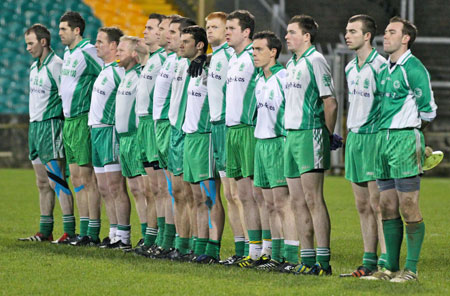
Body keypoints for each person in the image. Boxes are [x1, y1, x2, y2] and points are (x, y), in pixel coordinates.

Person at [364, 16, 437, 283]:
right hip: (383, 141)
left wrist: (414, 136)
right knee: (386, 204)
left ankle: (411, 270)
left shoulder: (414, 68)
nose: (386, 36)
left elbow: (429, 111)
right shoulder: (384, 69)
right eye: (385, 32)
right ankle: (388, 268)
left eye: (392, 32)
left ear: (406, 38)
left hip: (404, 141)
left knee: (408, 206)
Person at [284, 15, 338, 275]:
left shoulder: (316, 60)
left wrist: (326, 136)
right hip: (291, 135)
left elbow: (330, 101)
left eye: (292, 32)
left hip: (310, 133)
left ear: (306, 36)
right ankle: (306, 260)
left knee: (313, 199)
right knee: (296, 201)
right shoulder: (293, 62)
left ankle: (323, 262)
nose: (286, 37)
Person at [339, 14, 387, 277]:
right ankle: (368, 260)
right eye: (347, 31)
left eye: (353, 31)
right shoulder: (349, 67)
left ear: (367, 36)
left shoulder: (380, 66)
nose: (347, 35)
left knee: (378, 204)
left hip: (373, 138)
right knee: (361, 205)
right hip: (354, 139)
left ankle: (384, 261)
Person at [19, 24, 75, 242]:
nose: (27, 48)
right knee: (42, 182)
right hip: (34, 127)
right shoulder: (35, 67)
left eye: (31, 43)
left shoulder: (57, 66)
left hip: (50, 126)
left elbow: (66, 97)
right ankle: (45, 231)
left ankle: (69, 232)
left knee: (57, 181)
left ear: (43, 42)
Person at [251, 31, 299, 271]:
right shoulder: (260, 78)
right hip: (261, 143)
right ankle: (275, 256)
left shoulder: (284, 77)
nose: (254, 54)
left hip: (278, 143)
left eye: (259, 49)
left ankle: (291, 258)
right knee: (268, 203)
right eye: (253, 50)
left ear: (273, 52)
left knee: (283, 203)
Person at [224, 10, 267, 267]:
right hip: (232, 131)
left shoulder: (254, 57)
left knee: (257, 194)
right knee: (242, 194)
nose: (227, 31)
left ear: (246, 32)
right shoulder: (234, 57)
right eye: (226, 27)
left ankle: (268, 250)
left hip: (249, 129)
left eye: (232, 28)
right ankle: (252, 251)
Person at [178, 25, 225, 264]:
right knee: (196, 197)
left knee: (210, 197)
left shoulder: (212, 63)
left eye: (186, 41)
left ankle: (213, 248)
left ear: (199, 45)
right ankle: (199, 245)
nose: (180, 44)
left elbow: (226, 55)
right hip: (191, 135)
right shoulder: (190, 66)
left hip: (205, 135)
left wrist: (207, 57)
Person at [78, 26, 127, 247]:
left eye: (100, 42)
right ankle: (113, 232)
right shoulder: (105, 70)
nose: (96, 45)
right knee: (104, 188)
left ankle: (123, 237)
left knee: (116, 186)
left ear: (113, 46)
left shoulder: (119, 72)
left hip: (110, 131)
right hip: (96, 131)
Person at [57, 11, 102, 244]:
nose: (59, 33)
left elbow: (105, 73)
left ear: (77, 30)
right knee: (75, 177)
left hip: (83, 119)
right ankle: (83, 230)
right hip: (69, 121)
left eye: (63, 29)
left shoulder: (88, 51)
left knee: (87, 177)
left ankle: (92, 232)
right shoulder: (68, 52)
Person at [205, 11, 246, 265]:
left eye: (217, 27)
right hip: (218, 127)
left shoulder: (233, 56)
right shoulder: (215, 57)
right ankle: (240, 248)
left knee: (239, 194)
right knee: (230, 195)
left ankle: (249, 248)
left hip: (232, 127)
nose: (211, 31)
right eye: (208, 27)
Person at [134, 13, 168, 255]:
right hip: (144, 126)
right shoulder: (152, 59)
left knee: (162, 187)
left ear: (160, 32)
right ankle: (152, 237)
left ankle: (167, 239)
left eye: (150, 28)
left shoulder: (165, 59)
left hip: (157, 125)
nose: (144, 32)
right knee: (152, 189)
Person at [113, 36, 149, 250]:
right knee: (135, 189)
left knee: (143, 189)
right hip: (124, 139)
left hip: (135, 138)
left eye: (122, 49)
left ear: (134, 54)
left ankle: (148, 235)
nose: (117, 52)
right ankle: (137, 236)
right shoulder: (125, 75)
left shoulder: (139, 75)